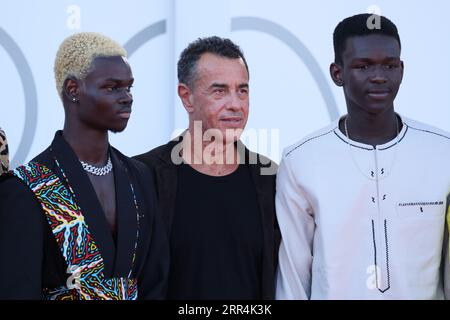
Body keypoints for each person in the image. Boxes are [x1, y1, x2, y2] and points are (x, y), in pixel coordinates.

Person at [275, 14, 450, 299]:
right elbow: (292, 280)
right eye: (363, 66)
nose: (379, 76)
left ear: (402, 70)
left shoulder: (443, 153)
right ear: (337, 73)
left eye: (389, 65)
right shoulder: (302, 161)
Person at [0, 32, 169, 300]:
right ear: (73, 90)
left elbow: (156, 281)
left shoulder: (139, 176)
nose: (127, 97)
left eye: (129, 87)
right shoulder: (27, 187)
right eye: (112, 87)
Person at [134, 36, 279, 300]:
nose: (236, 104)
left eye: (242, 90)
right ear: (186, 97)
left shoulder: (270, 178)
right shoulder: (143, 176)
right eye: (219, 91)